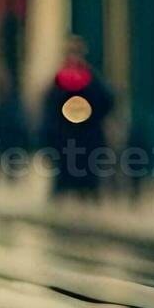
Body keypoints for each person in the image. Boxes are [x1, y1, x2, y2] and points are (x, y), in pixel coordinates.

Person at [40, 36, 114, 199]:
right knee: (65, 175)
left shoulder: (91, 79)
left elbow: (106, 101)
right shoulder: (59, 80)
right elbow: (50, 108)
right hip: (65, 139)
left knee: (86, 177)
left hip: (86, 138)